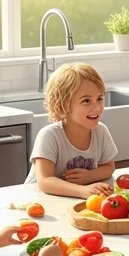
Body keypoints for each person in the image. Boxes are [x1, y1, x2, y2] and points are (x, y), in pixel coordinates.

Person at [26, 63, 117, 197]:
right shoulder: (50, 136)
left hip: (71, 200)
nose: (97, 107)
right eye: (86, 101)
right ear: (62, 106)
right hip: (38, 202)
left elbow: (109, 167)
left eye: (99, 99)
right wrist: (83, 190)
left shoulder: (101, 131)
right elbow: (45, 181)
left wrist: (89, 177)